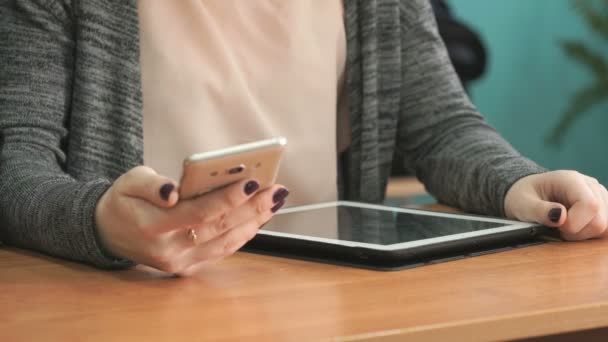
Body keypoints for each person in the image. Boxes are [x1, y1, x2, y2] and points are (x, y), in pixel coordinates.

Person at [1, 0, 606, 276]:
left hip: (329, 300)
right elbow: (15, 162)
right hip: (131, 305)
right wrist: (99, 223)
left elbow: (441, 126)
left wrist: (517, 181)